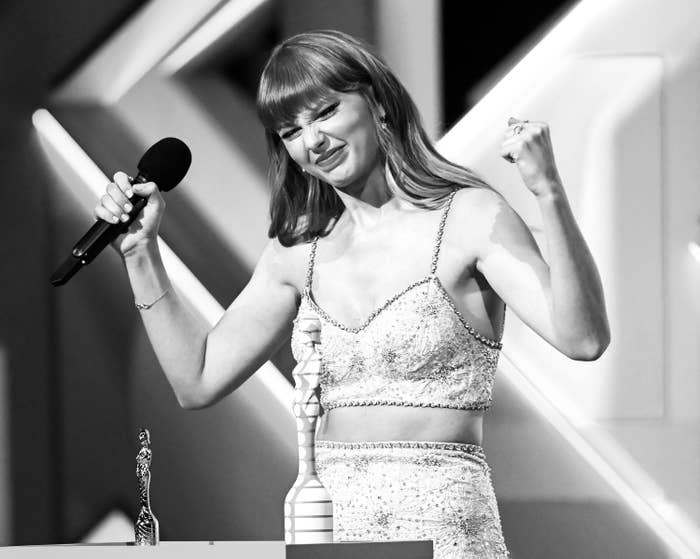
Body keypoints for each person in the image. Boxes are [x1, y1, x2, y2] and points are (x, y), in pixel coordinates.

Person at [95, 30, 609, 559]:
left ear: (378, 104)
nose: (312, 141)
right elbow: (198, 380)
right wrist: (141, 254)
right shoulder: (298, 250)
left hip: (445, 531)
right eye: (290, 130)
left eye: (324, 113)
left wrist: (548, 192)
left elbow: (583, 338)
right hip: (330, 533)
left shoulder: (469, 218)